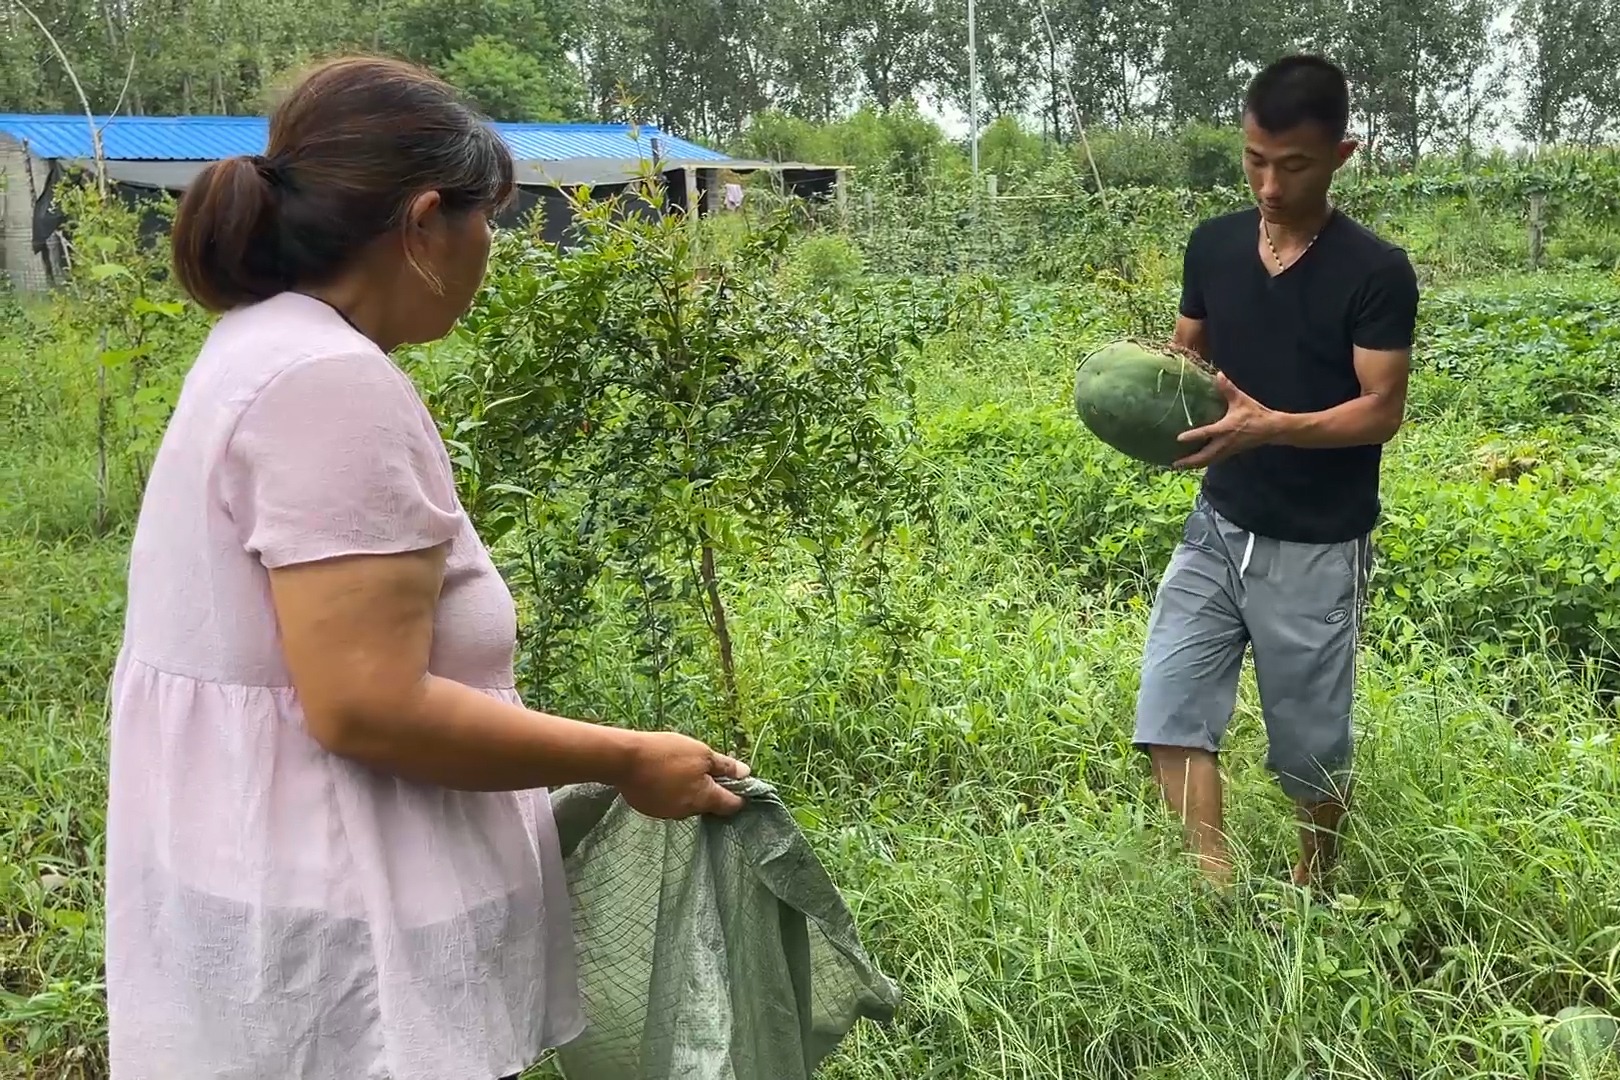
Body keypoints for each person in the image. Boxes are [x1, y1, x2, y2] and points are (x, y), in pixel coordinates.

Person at [105, 55, 750, 1080]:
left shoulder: (259, 344)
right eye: (485, 218)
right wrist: (626, 757)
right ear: (421, 223)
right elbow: (367, 707)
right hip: (348, 939)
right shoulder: (330, 385)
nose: (491, 247)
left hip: (261, 884)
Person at [1131, 54, 1419, 891]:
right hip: (1218, 522)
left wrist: (1271, 427)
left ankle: (1314, 875)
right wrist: (1148, 390)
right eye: (1254, 160)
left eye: (1291, 165)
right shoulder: (1215, 245)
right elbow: (1184, 354)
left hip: (1317, 542)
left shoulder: (1374, 270)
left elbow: (1381, 409)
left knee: (1309, 739)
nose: (1268, 184)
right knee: (1170, 699)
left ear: (1341, 154)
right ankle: (1213, 881)